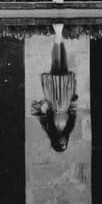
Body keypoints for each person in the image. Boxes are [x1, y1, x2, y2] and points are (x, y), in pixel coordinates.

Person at [31, 24, 77, 153]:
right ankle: (59, 37)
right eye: (65, 144)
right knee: (64, 65)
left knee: (56, 66)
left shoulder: (49, 128)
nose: (63, 142)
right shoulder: (69, 128)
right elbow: (72, 114)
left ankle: (57, 37)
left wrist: (41, 104)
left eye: (61, 144)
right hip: (66, 98)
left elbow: (37, 112)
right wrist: (74, 100)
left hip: (54, 98)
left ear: (56, 142)